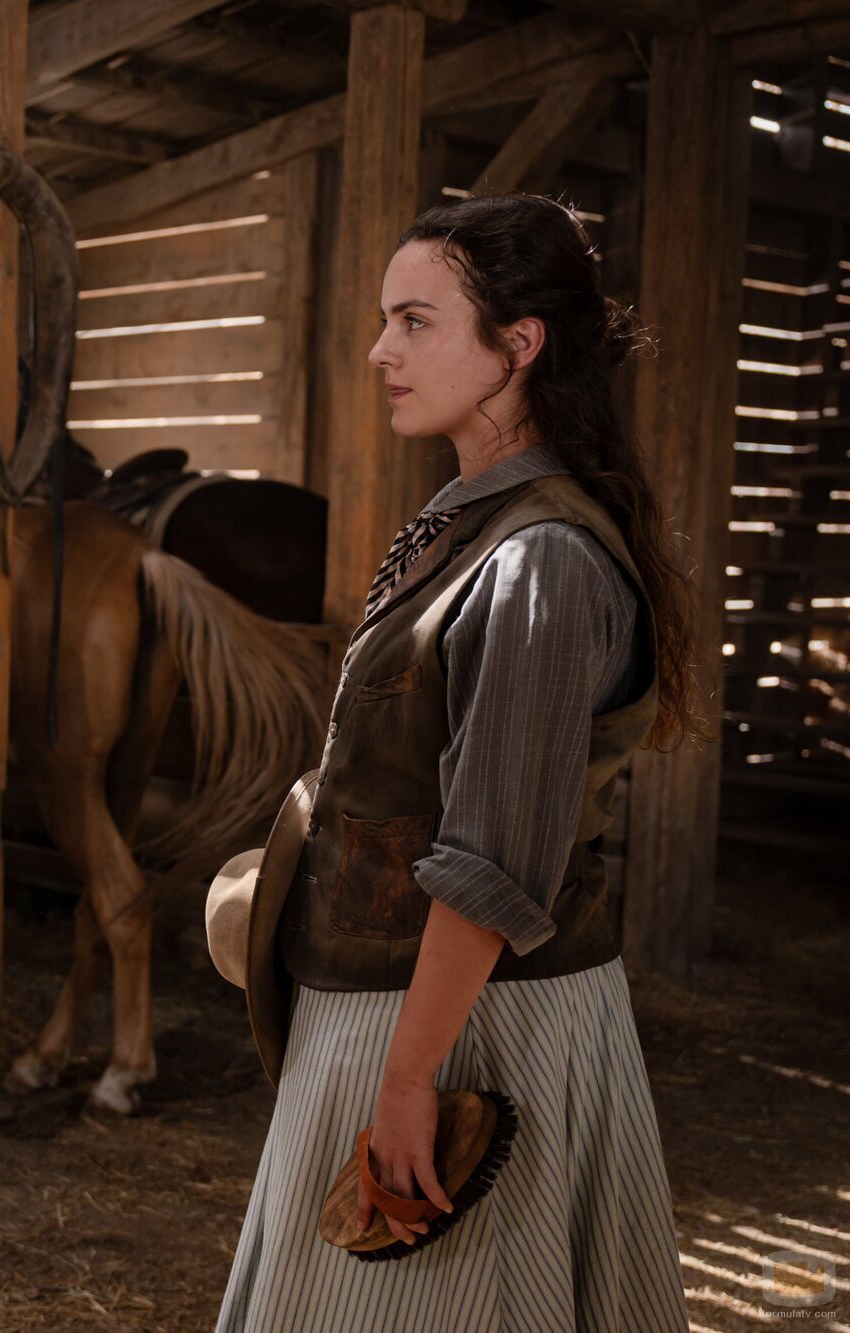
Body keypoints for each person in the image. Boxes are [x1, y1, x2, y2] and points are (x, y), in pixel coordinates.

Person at [214, 194, 695, 1331]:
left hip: (473, 1024)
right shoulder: (467, 522)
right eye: (386, 319)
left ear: (517, 344)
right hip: (393, 1002)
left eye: (416, 320)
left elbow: (489, 863)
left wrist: (402, 1078)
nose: (380, 349)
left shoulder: (541, 565)